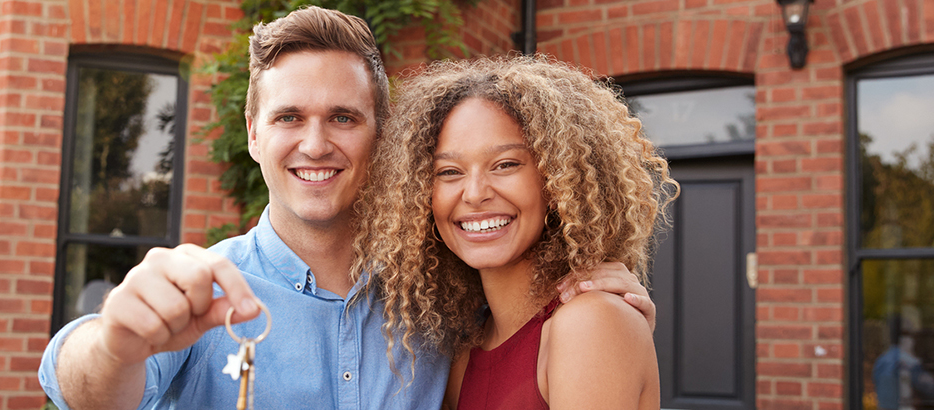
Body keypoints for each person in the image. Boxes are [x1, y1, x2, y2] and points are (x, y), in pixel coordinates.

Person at [39, 8, 656, 410]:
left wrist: (605, 314)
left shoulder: (443, 303)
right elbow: (87, 391)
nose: (315, 144)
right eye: (288, 118)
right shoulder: (207, 292)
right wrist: (114, 345)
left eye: (343, 117)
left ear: (382, 137)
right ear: (254, 134)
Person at [354, 55, 673, 409]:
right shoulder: (463, 355)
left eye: (505, 165)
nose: (475, 193)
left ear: (556, 182)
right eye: (448, 171)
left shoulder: (591, 322)